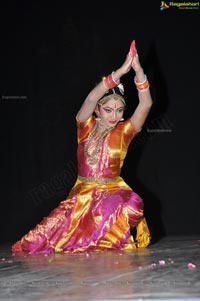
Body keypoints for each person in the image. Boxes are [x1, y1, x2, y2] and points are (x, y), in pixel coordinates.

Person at [12, 42, 153, 254]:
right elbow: (90, 98)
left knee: (132, 207)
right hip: (83, 193)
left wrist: (139, 72)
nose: (114, 115)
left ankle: (103, 240)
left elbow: (146, 105)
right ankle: (87, 237)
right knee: (35, 241)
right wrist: (119, 73)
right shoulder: (85, 125)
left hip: (112, 192)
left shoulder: (125, 131)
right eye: (108, 109)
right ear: (97, 110)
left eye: (119, 110)